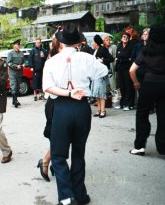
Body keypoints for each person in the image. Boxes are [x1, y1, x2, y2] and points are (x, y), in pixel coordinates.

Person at [43, 23, 108, 205]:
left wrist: (68, 92)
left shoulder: (51, 61)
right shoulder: (87, 58)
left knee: (58, 155)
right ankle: (80, 195)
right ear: (78, 42)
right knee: (78, 153)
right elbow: (103, 71)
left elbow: (47, 87)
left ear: (61, 42)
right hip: (81, 109)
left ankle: (66, 198)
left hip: (62, 107)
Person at [129, 25, 165, 156]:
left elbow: (132, 70)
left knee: (142, 115)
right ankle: (163, 148)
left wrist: (136, 83)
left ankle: (139, 146)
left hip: (149, 84)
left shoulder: (146, 50)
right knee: (163, 117)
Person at [37, 33, 61, 182]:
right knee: (58, 136)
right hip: (54, 102)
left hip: (64, 102)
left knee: (60, 137)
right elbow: (48, 87)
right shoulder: (53, 61)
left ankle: (53, 163)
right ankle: (46, 161)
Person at [91, 35, 114, 118]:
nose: (92, 43)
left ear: (96, 43)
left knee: (101, 92)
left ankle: (103, 110)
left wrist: (102, 60)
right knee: (97, 93)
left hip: (101, 74)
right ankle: (99, 110)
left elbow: (111, 59)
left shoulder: (103, 49)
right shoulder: (95, 50)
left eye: (93, 41)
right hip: (96, 74)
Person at [115, 32, 135, 111]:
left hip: (128, 68)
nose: (125, 38)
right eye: (123, 37)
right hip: (120, 68)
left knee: (129, 86)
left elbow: (131, 58)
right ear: (121, 38)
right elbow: (117, 57)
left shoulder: (131, 46)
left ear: (129, 38)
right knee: (122, 86)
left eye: (126, 37)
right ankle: (122, 103)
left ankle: (130, 104)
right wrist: (122, 59)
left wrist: (122, 59)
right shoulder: (119, 45)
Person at [7, 39, 24, 107]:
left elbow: (23, 61)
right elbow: (9, 63)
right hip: (13, 72)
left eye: (19, 44)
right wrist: (16, 66)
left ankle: (14, 101)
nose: (19, 45)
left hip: (19, 72)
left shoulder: (21, 53)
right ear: (14, 45)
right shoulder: (10, 53)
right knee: (13, 86)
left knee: (18, 86)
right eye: (17, 44)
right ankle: (15, 101)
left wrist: (23, 64)